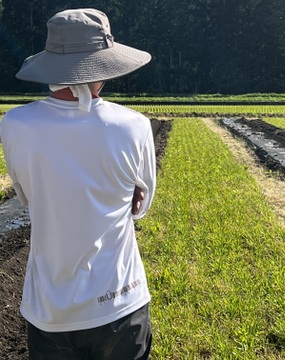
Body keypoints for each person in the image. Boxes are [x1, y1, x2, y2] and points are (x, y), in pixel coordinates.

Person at [0, 8, 156, 360]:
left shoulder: (15, 124)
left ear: (52, 65)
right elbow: (140, 207)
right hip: (120, 303)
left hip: (50, 311)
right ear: (102, 66)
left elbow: (25, 197)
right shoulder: (133, 126)